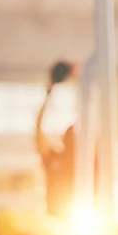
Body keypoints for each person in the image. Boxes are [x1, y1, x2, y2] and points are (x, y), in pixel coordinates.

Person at [35, 62, 79, 219]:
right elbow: (38, 131)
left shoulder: (85, 161)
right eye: (70, 135)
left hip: (80, 219)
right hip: (55, 218)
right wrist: (48, 93)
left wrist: (83, 84)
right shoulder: (53, 157)